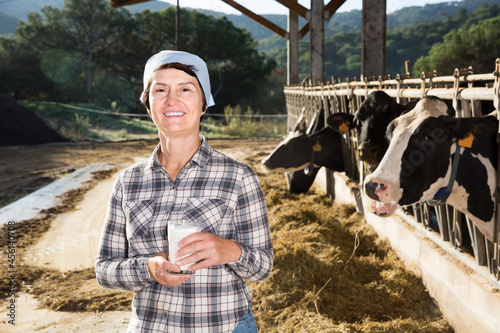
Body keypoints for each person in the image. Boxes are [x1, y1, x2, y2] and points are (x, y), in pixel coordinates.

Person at [95, 50, 274, 332]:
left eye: (186, 89)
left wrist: (230, 250)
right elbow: (104, 269)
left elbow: (263, 267)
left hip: (222, 327)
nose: (172, 100)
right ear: (148, 104)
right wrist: (148, 268)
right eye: (161, 90)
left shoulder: (239, 177)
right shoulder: (127, 182)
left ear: (203, 104)